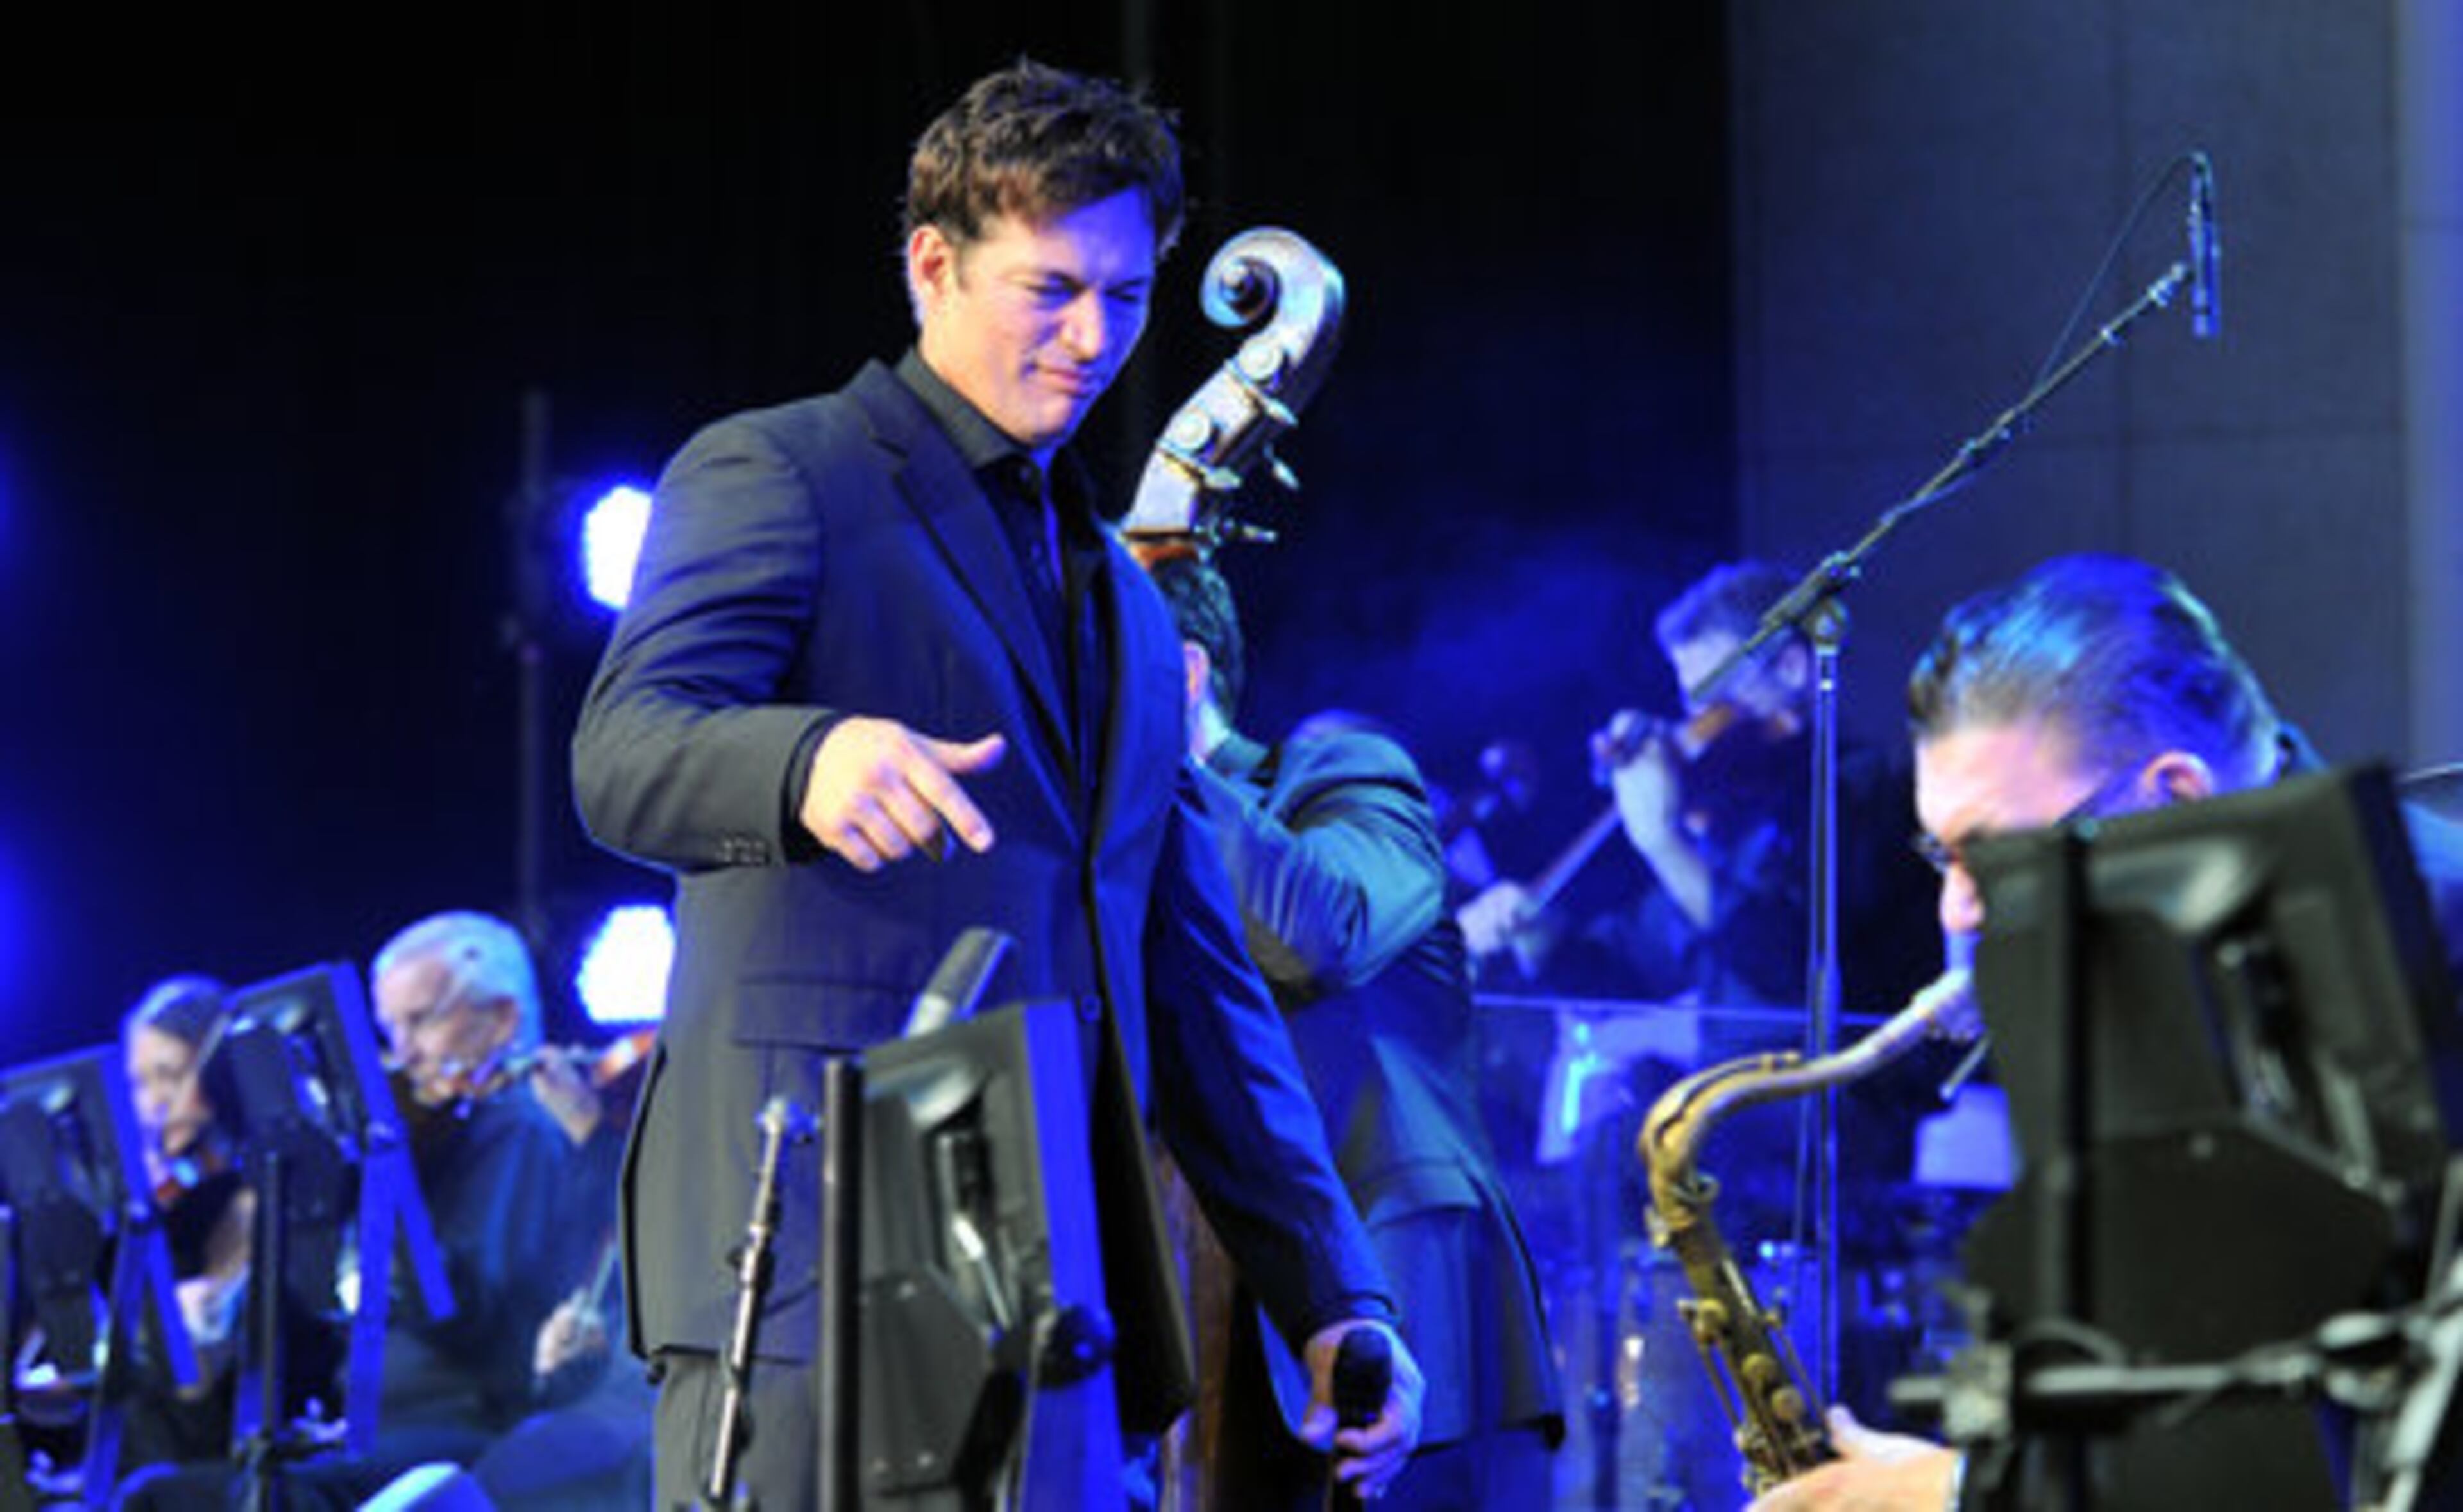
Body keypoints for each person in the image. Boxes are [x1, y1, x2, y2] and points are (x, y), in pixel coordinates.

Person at [568, 57, 1423, 1509]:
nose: (1093, 337)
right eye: (1048, 289)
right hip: (805, 1269)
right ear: (930, 265)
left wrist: (1335, 1290)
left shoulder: (1135, 613)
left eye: (1127, 294)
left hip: (1055, 1297)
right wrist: (805, 755)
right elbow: (624, 748)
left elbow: (1198, 981)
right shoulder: (781, 469)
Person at [1749, 552, 2463, 1511]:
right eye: (1939, 854)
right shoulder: (2180, 940)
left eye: (1991, 855)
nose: (1958, 910)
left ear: (2175, 795)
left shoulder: (2429, 941)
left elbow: (2357, 1423)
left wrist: (1962, 1492)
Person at [1146, 551, 1564, 1508]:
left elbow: (1318, 930)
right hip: (1208, 1327)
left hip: (1404, 1296)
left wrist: (1153, 753)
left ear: (1186, 672)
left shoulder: (1343, 775)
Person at [116, 911, 588, 1510]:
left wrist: (362, 1189)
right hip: (382, 1425)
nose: (403, 1052)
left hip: (468, 1431)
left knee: (180, 1499)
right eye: (389, 1029)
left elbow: (475, 1313)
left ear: (502, 1019)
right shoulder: (439, 1138)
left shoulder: (519, 1128)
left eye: (421, 1021)